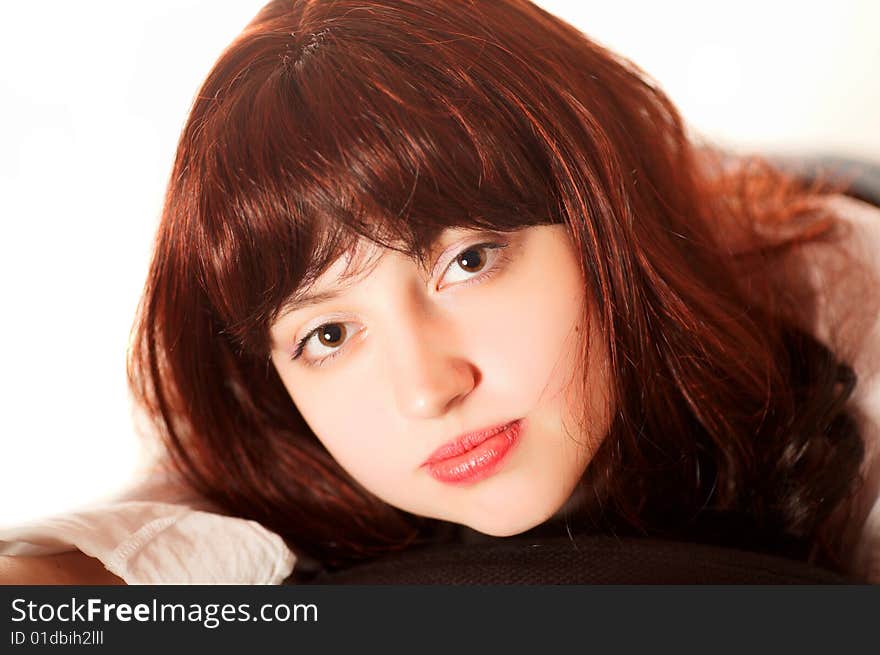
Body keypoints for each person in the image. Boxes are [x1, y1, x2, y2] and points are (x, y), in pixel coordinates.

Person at [2, 0, 879, 584]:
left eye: (468, 262)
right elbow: (154, 525)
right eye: (330, 335)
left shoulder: (832, 289)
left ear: (600, 216)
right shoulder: (269, 434)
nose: (426, 388)